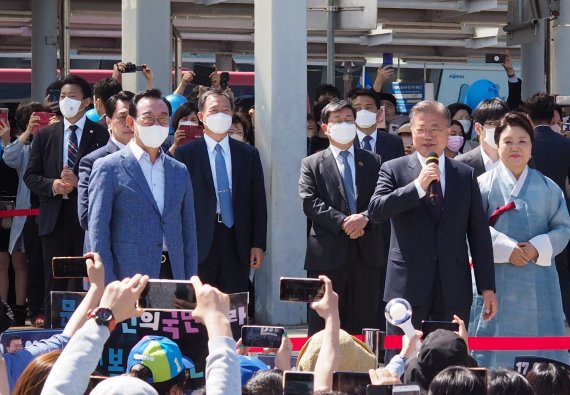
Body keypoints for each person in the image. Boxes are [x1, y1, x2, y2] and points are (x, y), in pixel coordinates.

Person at [368, 100, 497, 359]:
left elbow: (479, 234)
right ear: (411, 132)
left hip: (453, 284)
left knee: (450, 361)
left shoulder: (465, 174)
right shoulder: (393, 169)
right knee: (404, 360)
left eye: (436, 128)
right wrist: (417, 186)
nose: (428, 136)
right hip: (407, 286)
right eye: (421, 129)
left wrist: (487, 287)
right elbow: (376, 210)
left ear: (448, 132)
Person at [470, 112, 570, 368]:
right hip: (494, 281)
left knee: (541, 359)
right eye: (508, 141)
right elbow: (469, 229)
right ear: (497, 144)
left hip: (539, 280)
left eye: (522, 141)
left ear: (532, 145)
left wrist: (537, 247)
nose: (515, 148)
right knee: (490, 356)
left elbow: (563, 229)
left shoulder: (549, 188)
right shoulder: (481, 185)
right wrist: (505, 248)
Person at [23, 75, 110, 327]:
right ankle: (53, 333)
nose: (66, 101)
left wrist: (79, 180)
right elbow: (31, 175)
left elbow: (106, 173)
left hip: (84, 219)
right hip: (53, 218)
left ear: (85, 102)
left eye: (72, 96)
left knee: (87, 279)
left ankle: (89, 330)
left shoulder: (100, 134)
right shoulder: (45, 135)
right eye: (62, 97)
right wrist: (53, 185)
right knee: (54, 280)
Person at [88, 89, 198, 284]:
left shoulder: (179, 170)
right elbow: (98, 232)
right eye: (148, 118)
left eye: (163, 119)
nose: (157, 124)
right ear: (132, 122)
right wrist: (108, 282)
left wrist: (190, 280)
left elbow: (188, 232)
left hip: (173, 274)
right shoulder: (108, 167)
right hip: (128, 277)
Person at [299, 100, 385, 335]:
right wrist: (344, 222)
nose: (344, 125)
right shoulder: (312, 163)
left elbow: (382, 198)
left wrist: (364, 219)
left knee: (366, 320)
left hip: (367, 251)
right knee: (322, 322)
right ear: (325, 128)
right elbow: (309, 201)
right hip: (327, 254)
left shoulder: (373, 160)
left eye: (349, 120)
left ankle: (365, 369)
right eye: (337, 121)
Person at [175, 89, 267, 294]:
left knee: (233, 304)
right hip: (200, 240)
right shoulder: (186, 154)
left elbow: (258, 202)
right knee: (200, 304)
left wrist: (258, 243)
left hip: (237, 238)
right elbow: (178, 204)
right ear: (201, 116)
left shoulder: (248, 154)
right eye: (214, 110)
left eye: (226, 110)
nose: (221, 115)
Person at [3, 252, 105, 392]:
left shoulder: (15, 364)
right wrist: (97, 287)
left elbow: (66, 339)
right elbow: (67, 339)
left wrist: (96, 288)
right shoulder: (15, 365)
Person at [525, 93, 570, 325]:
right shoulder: (565, 144)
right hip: (560, 212)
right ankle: (562, 317)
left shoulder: (524, 143)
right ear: (554, 115)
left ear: (528, 116)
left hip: (526, 212)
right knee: (560, 268)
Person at [3, 102, 48, 327]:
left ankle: (44, 308)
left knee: (46, 262)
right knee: (28, 262)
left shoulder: (54, 138)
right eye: (36, 118)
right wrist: (28, 133)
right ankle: (30, 310)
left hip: (52, 210)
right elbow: (8, 157)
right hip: (28, 212)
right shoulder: (26, 147)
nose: (41, 120)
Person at [77, 91, 136, 239]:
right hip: (106, 252)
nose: (129, 122)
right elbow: (86, 217)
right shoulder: (93, 161)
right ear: (108, 121)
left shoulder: (153, 158)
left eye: (134, 116)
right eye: (123, 117)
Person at [0, 112, 25, 325]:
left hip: (17, 208)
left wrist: (7, 140)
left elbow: (11, 163)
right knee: (1, 261)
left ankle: (19, 310)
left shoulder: (18, 145)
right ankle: (3, 308)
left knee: (19, 260)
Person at [456, 98, 510, 177]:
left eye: (504, 123)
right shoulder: (460, 164)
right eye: (493, 123)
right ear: (478, 128)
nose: (500, 128)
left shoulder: (520, 160)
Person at [349, 89, 405, 162]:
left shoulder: (394, 142)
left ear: (379, 113)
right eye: (357, 108)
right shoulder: (345, 141)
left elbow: (399, 171)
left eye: (368, 108)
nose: (363, 112)